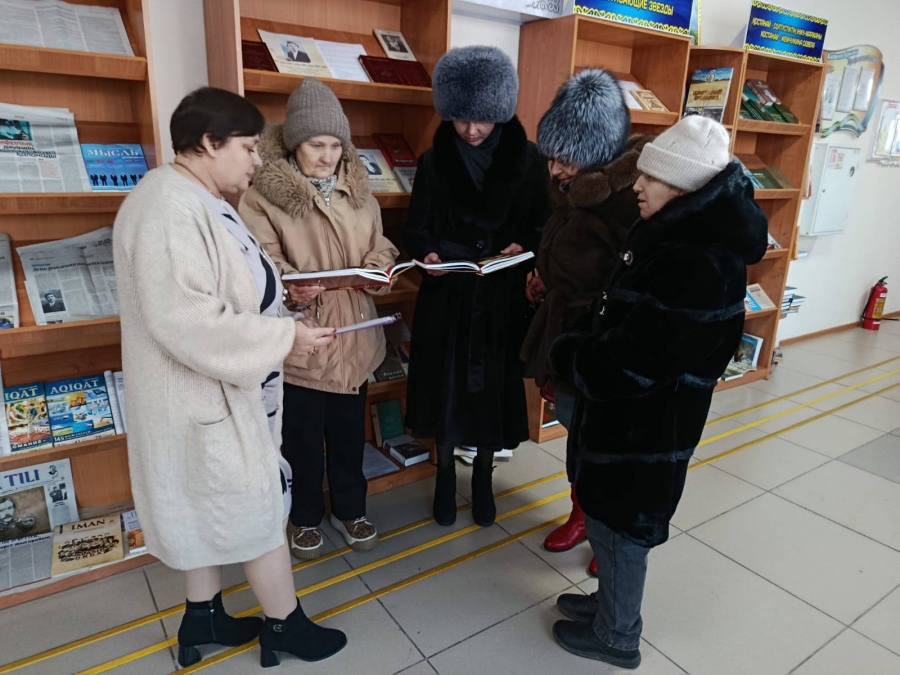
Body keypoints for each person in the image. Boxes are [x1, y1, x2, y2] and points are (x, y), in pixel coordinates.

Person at [113, 86, 346, 669]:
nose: (257, 160)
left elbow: (229, 288)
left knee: (205, 507)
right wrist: (285, 337)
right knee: (258, 508)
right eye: (247, 147)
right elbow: (187, 320)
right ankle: (284, 626)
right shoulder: (169, 210)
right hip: (203, 397)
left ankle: (203, 617)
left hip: (211, 394)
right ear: (209, 143)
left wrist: (284, 300)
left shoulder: (195, 196)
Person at [549, 115, 768, 669]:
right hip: (631, 419)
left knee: (622, 529)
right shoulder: (673, 234)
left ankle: (617, 636)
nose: (637, 187)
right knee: (606, 518)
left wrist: (572, 355)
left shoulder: (699, 260)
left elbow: (637, 360)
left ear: (684, 186)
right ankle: (608, 606)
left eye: (651, 178)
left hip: (647, 427)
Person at [241, 78, 398, 561]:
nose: (327, 156)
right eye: (315, 145)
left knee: (350, 436)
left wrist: (379, 269)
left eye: (334, 145)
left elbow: (381, 245)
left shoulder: (360, 192)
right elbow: (260, 260)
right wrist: (291, 283)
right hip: (305, 337)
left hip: (356, 337)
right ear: (294, 144)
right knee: (303, 441)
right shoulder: (262, 198)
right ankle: (304, 516)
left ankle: (351, 509)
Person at [402, 46, 551, 527]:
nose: (470, 129)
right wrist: (427, 254)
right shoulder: (432, 161)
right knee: (444, 391)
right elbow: (416, 228)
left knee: (492, 392)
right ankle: (445, 475)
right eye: (461, 117)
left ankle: (484, 475)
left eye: (482, 118)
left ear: (501, 110)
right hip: (448, 293)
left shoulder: (529, 160)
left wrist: (523, 246)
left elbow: (543, 223)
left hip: (501, 296)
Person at [519, 68, 650, 578]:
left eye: (565, 159)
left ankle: (608, 531)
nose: (554, 170)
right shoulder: (573, 187)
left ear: (596, 152)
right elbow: (566, 248)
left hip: (603, 342)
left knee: (608, 446)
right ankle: (581, 514)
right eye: (551, 157)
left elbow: (628, 276)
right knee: (577, 437)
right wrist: (544, 276)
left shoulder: (630, 199)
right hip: (566, 335)